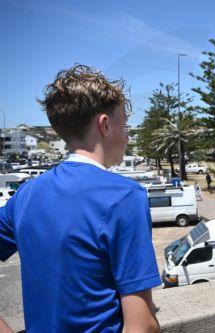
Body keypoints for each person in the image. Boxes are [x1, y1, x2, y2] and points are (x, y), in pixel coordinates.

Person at [0, 65, 161, 332]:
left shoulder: (26, 194)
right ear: (105, 125)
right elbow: (142, 325)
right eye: (125, 124)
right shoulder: (125, 196)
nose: (128, 136)